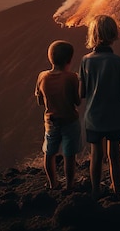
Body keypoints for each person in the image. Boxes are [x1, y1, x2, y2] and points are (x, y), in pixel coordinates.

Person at [78, 15, 120, 199]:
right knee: (114, 155)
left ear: (92, 34)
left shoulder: (85, 61)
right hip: (115, 116)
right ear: (114, 34)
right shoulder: (119, 63)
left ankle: (95, 191)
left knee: (96, 155)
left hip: (94, 117)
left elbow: (82, 92)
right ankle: (118, 193)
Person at [35, 40, 81, 191]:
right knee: (69, 154)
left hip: (51, 122)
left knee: (49, 153)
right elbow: (77, 101)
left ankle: (52, 183)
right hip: (70, 120)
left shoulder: (42, 76)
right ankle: (69, 185)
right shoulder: (72, 77)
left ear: (50, 58)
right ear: (69, 60)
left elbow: (40, 101)